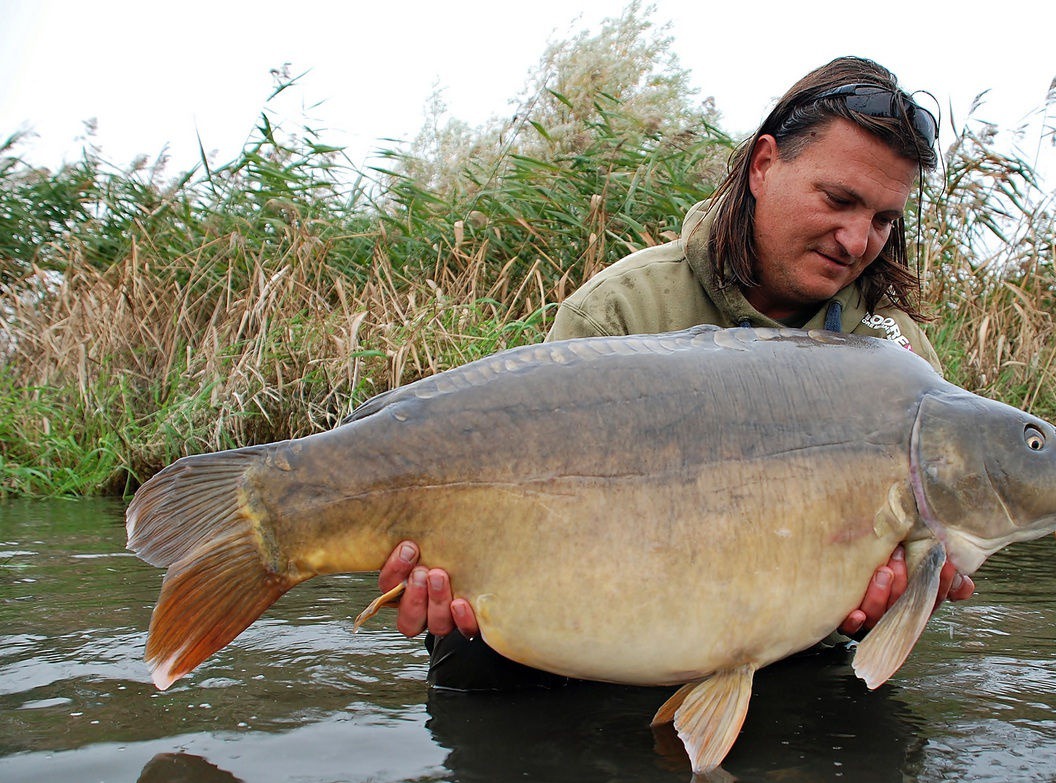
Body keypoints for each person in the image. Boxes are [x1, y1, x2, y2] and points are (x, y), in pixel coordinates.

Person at [380, 56, 974, 689]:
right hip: (593, 632)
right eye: (839, 200)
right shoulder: (624, 309)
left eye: (884, 219)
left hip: (791, 656)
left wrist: (892, 606)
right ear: (764, 165)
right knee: (472, 657)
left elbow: (919, 566)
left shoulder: (899, 362)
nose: (858, 241)